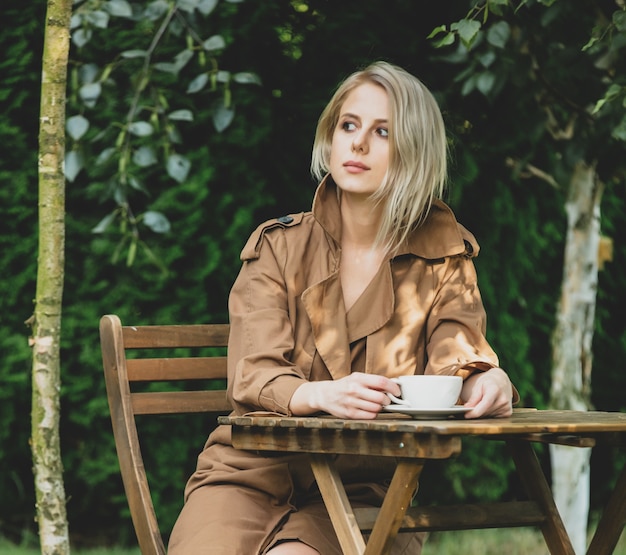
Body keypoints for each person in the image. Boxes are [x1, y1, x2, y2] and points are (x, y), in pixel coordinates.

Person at [168, 60, 516, 555]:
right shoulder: (278, 246)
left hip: (366, 489)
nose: (357, 144)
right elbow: (253, 371)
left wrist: (485, 378)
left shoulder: (444, 255)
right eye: (348, 125)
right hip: (248, 474)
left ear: (413, 149)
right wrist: (320, 395)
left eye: (382, 132)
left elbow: (454, 353)